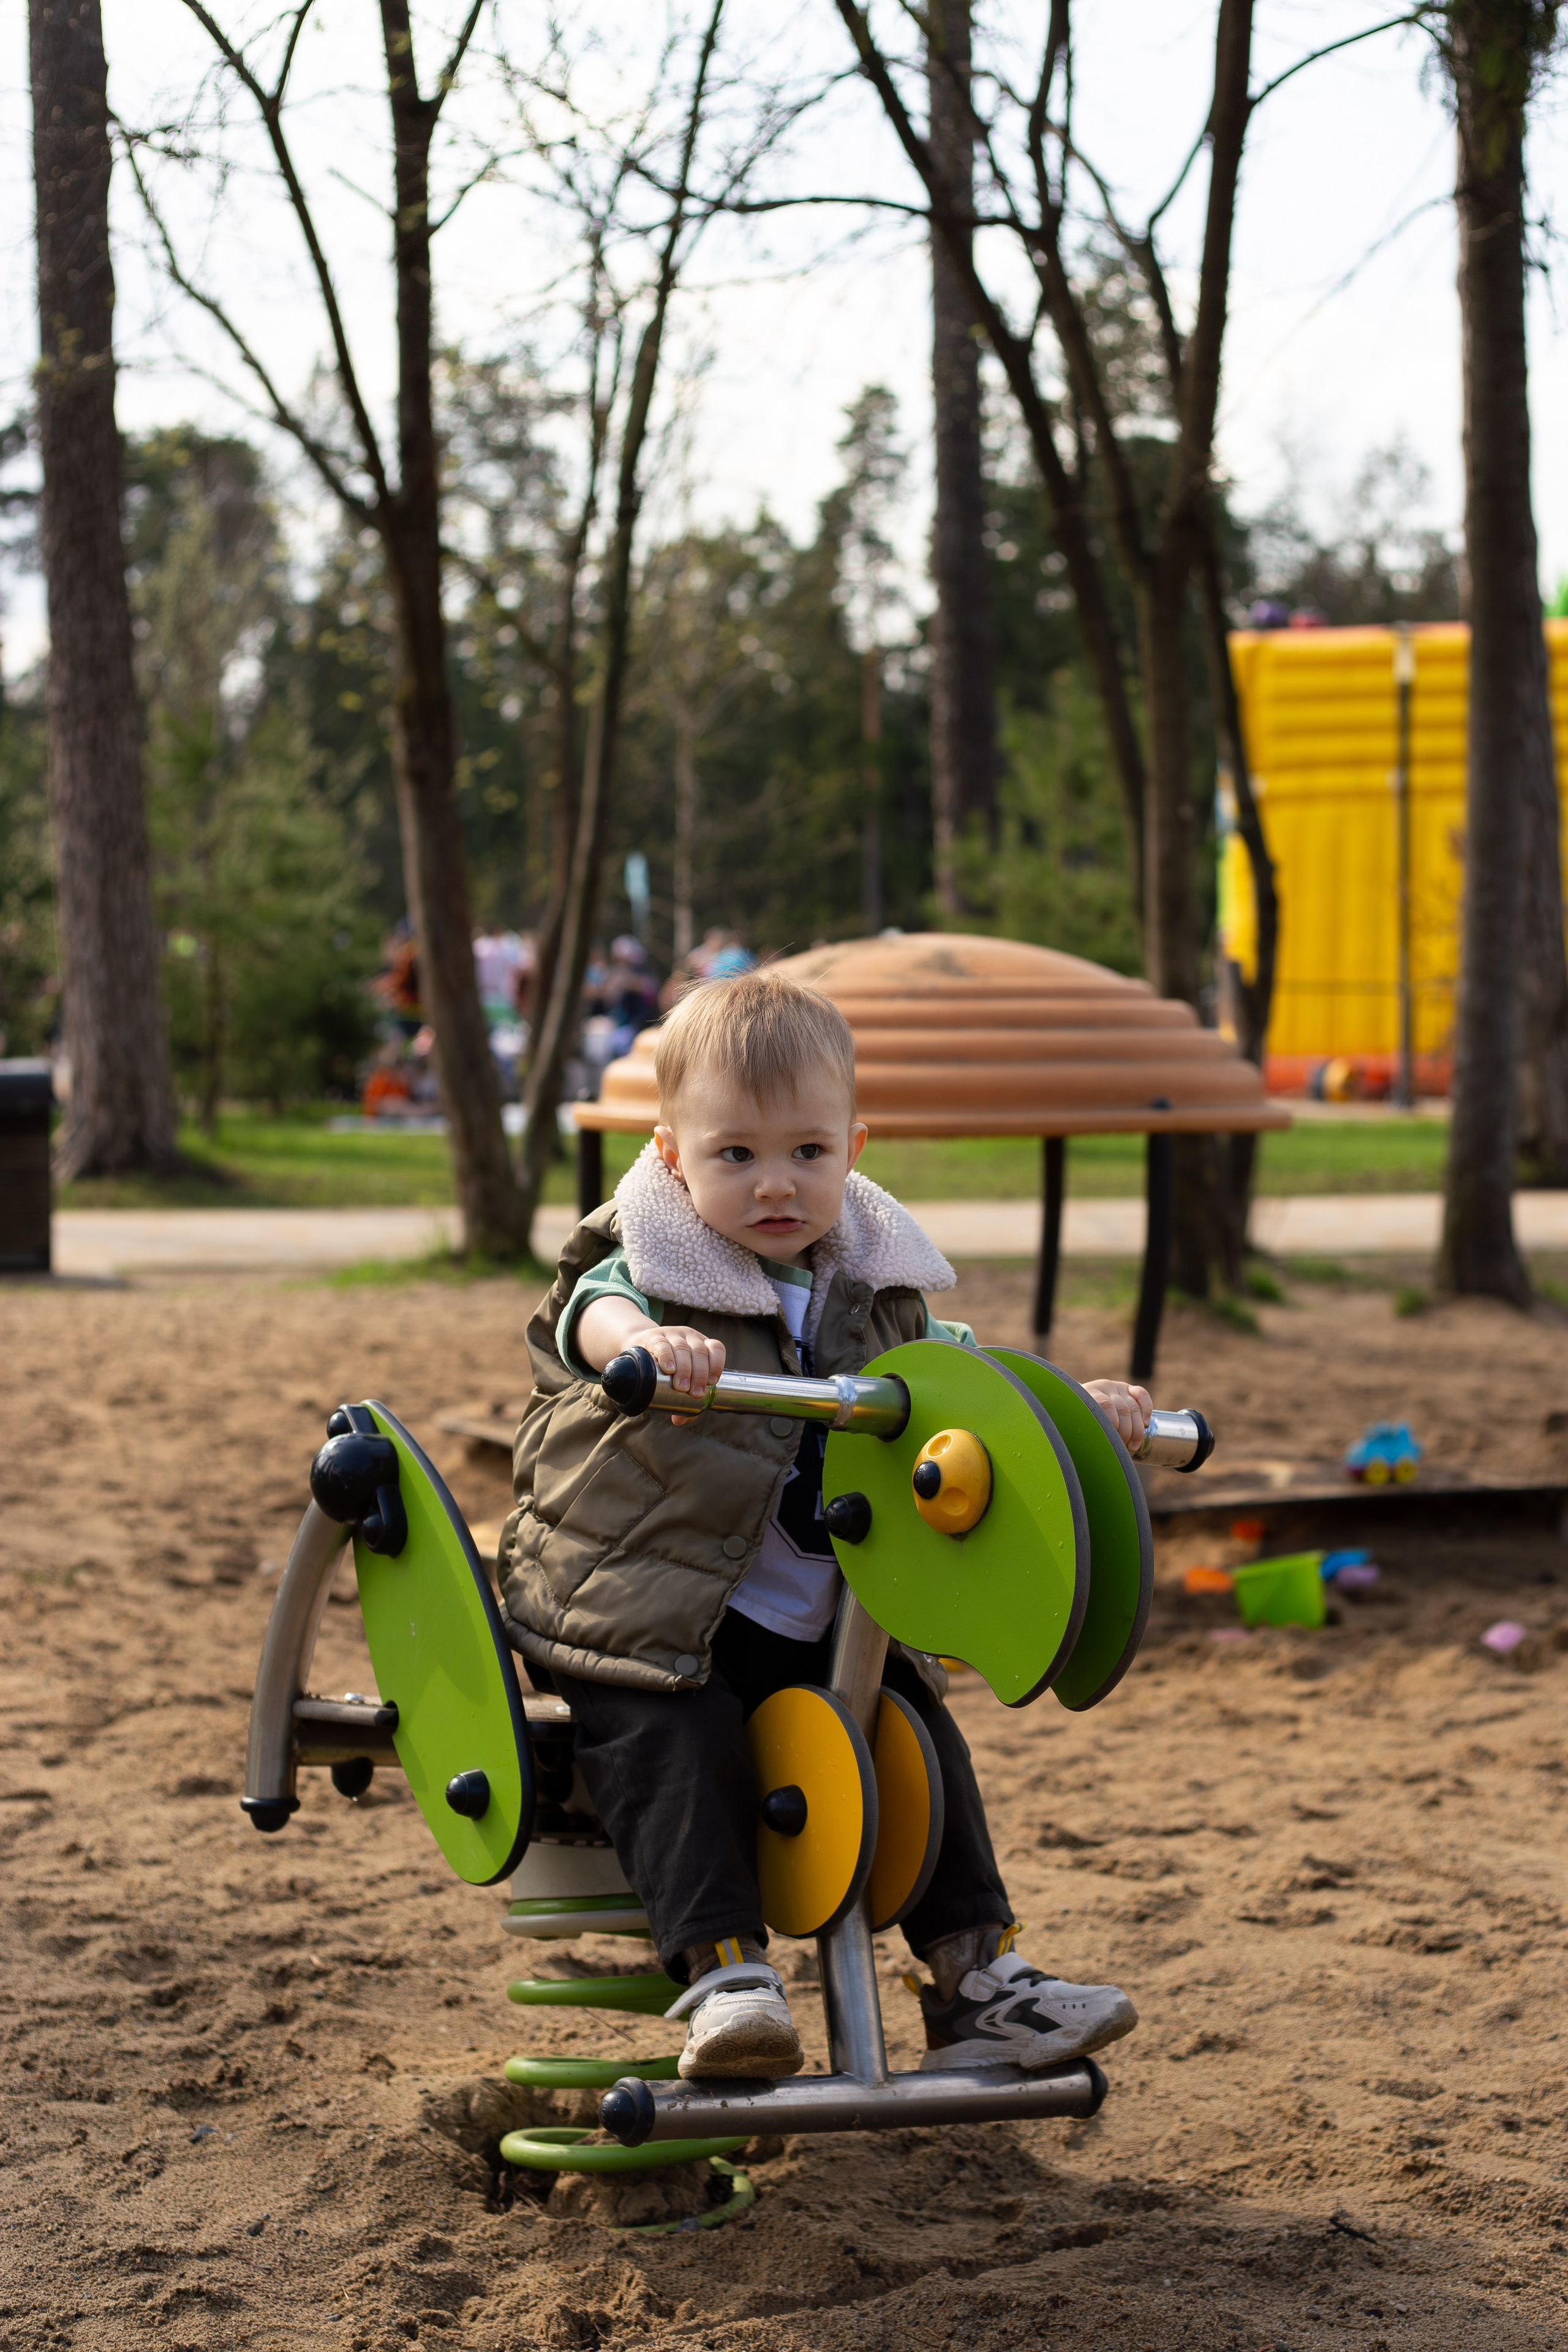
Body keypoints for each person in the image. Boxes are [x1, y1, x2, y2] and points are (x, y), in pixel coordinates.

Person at [498, 974, 1150, 2083]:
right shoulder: (651, 1264)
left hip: (815, 1618)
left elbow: (964, 1382)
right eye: (736, 1155)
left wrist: (1075, 1409)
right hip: (646, 1611)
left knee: (915, 1737)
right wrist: (648, 1354)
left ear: (854, 1144)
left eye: (806, 1152)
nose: (775, 1185)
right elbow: (587, 1316)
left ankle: (976, 1974)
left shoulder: (874, 1285)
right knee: (671, 1742)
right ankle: (725, 1976)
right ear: (671, 1157)